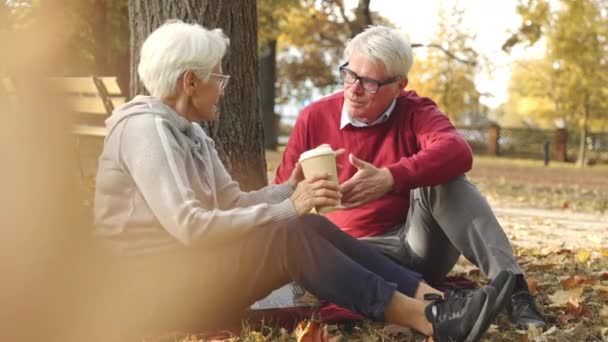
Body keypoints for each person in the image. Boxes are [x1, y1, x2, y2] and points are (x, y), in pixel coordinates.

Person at [93, 20, 514, 341]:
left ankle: (434, 300)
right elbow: (189, 225)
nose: (221, 90)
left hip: (189, 276)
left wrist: (290, 189)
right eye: (217, 79)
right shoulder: (146, 129)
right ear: (190, 81)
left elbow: (232, 201)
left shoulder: (192, 133)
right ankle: (429, 321)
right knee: (291, 231)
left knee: (307, 224)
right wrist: (286, 208)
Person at [273, 25, 547, 330]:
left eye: (370, 82)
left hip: (418, 245)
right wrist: (305, 191)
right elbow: (281, 194)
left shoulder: (415, 111)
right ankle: (431, 304)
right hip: (354, 255)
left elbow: (458, 151)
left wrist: (391, 177)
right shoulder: (315, 116)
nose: (354, 88)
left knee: (448, 180)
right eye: (350, 74)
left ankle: (515, 291)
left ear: (399, 85)